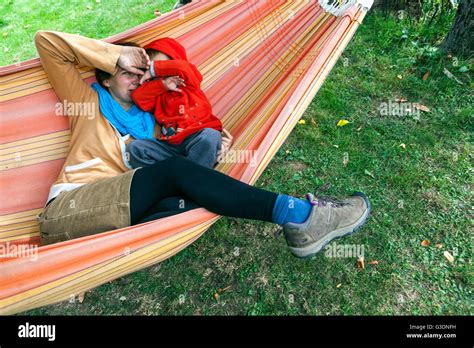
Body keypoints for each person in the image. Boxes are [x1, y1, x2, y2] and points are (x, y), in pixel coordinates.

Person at [34, 30, 371, 259]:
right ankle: (302, 216)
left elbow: (180, 141)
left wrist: (211, 142)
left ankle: (299, 222)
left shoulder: (154, 123)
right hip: (73, 209)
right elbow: (47, 43)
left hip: (125, 211)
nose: (139, 79)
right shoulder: (86, 102)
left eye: (142, 74)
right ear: (106, 78)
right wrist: (118, 55)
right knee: (180, 174)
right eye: (128, 74)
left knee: (198, 200)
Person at [124, 37, 224, 169]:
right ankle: (169, 179)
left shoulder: (190, 84)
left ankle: (190, 180)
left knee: (210, 136)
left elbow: (184, 68)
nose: (161, 73)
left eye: (165, 67)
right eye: (154, 72)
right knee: (135, 148)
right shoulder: (158, 93)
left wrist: (154, 68)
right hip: (171, 146)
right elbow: (138, 97)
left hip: (197, 138)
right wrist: (162, 84)